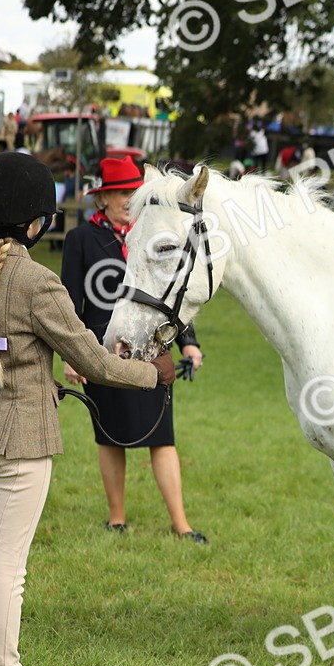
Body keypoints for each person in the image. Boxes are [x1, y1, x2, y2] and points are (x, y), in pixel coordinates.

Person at [0, 152, 177, 666]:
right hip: (22, 438)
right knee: (5, 566)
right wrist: (152, 373)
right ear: (34, 223)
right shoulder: (37, 281)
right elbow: (93, 361)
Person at [60, 156, 208, 543]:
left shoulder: (152, 232)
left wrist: (189, 345)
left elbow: (169, 294)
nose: (129, 199)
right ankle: (116, 517)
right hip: (105, 352)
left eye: (133, 191)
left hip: (154, 349)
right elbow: (70, 302)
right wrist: (72, 355)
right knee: (110, 436)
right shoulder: (81, 239)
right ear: (103, 197)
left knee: (163, 437)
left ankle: (182, 524)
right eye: (121, 192)